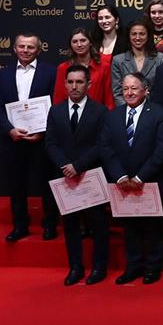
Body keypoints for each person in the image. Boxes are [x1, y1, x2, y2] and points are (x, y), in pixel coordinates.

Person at [45, 64, 111, 285]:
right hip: (65, 177)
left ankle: (99, 267)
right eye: (70, 82)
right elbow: (51, 143)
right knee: (70, 224)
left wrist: (79, 165)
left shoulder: (100, 111)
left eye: (79, 82)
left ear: (89, 84)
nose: (74, 86)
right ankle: (75, 267)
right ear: (65, 84)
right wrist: (65, 165)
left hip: (90, 174)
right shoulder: (55, 111)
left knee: (98, 224)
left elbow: (102, 144)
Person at [101, 72, 163, 284]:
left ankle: (152, 267)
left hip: (149, 181)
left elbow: (162, 149)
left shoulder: (158, 113)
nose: (129, 93)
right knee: (129, 228)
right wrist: (120, 176)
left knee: (152, 228)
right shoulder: (113, 115)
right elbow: (105, 148)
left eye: (134, 88)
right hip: (122, 182)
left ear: (145, 90)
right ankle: (133, 266)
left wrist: (140, 177)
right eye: (126, 89)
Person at [0, 32, 59, 241]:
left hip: (42, 139)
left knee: (47, 183)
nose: (25, 50)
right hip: (13, 139)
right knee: (16, 184)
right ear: (14, 49)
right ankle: (20, 225)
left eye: (30, 47)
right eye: (21, 46)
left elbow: (56, 105)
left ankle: (50, 224)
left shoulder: (51, 72)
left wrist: (43, 131)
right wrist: (9, 130)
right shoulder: (2, 74)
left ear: (38, 50)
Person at [54, 27, 113, 109]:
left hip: (98, 116)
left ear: (90, 43)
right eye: (75, 42)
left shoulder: (104, 67)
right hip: (71, 116)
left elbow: (109, 99)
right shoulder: (63, 68)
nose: (79, 45)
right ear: (70, 45)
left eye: (83, 40)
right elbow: (58, 98)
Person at [111, 20, 161, 105]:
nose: (137, 38)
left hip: (153, 111)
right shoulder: (118, 60)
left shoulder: (160, 58)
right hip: (128, 112)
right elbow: (117, 93)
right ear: (128, 36)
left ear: (148, 36)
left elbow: (162, 90)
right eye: (134, 34)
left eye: (142, 34)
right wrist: (130, 112)